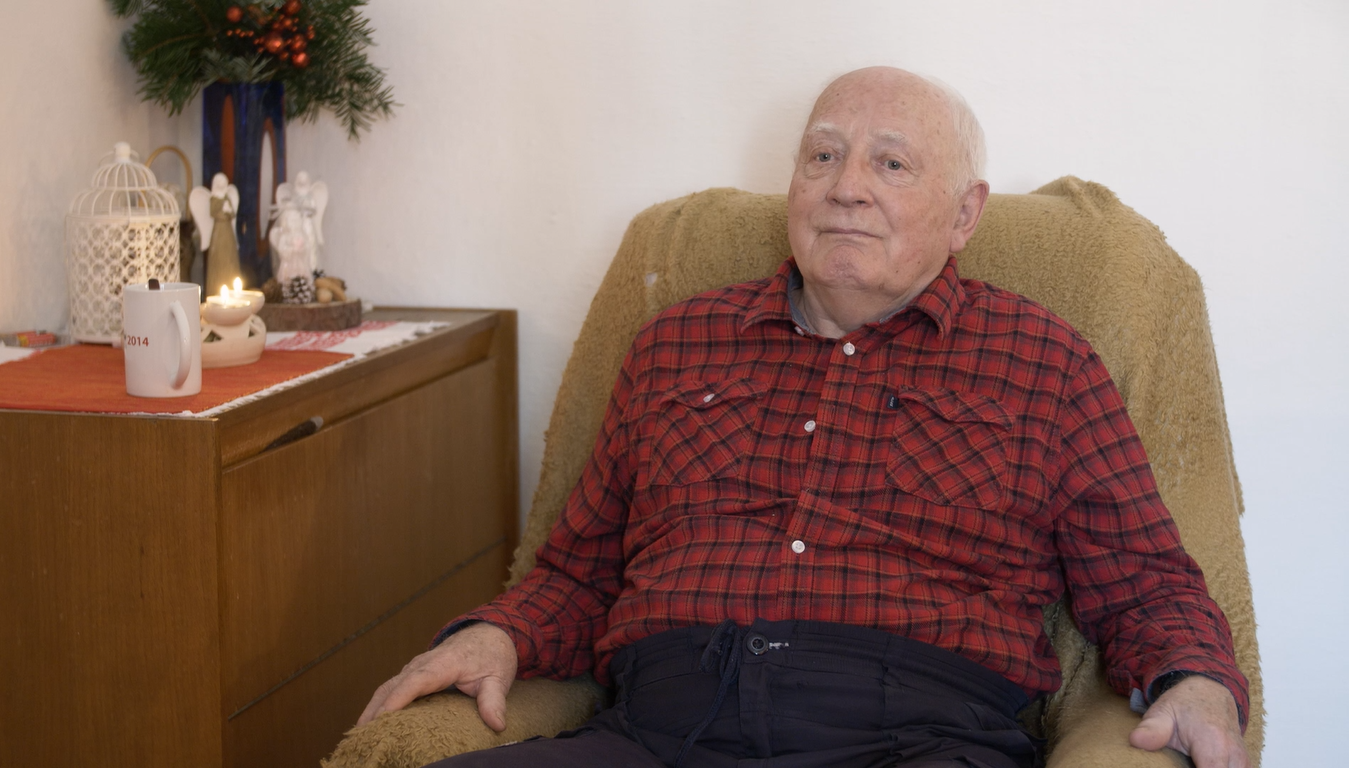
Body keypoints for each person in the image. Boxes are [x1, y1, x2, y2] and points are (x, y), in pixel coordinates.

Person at [358, 67, 1250, 768]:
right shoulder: (677, 341)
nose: (845, 188)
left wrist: (1198, 681)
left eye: (891, 163)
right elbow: (578, 571)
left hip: (918, 737)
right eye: (822, 157)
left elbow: (1145, 583)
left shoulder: (1044, 363)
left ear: (964, 214)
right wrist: (499, 633)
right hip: (660, 732)